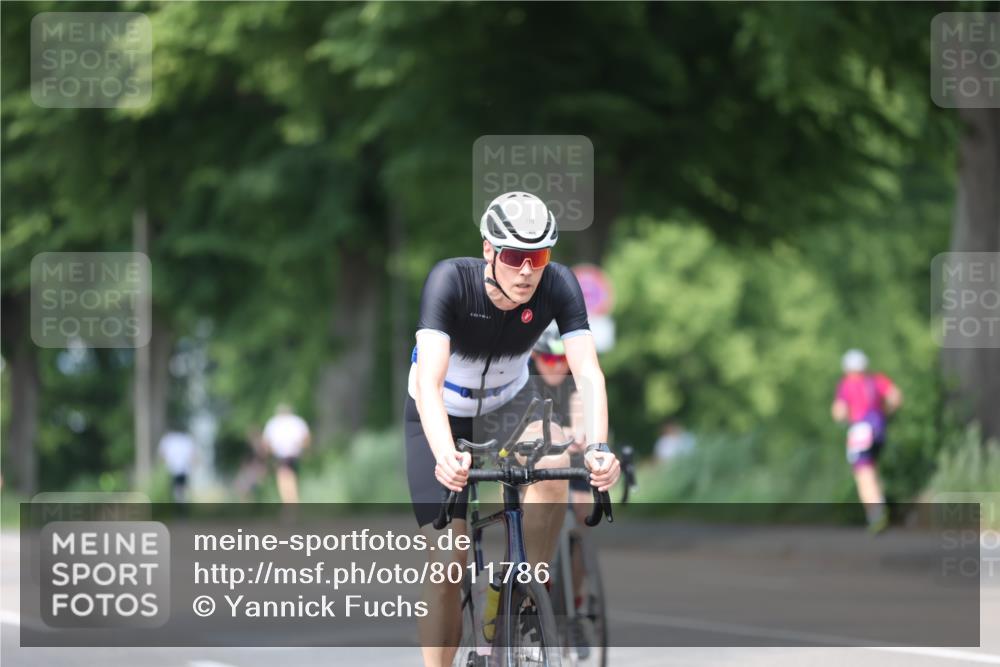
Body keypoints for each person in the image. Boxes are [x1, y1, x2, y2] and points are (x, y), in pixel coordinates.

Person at [405, 191, 620, 667]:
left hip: (511, 406)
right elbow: (428, 379)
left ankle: (523, 594)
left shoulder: (558, 283)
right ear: (489, 249)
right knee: (447, 566)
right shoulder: (450, 281)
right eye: (516, 256)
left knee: (556, 460)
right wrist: (446, 453)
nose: (527, 270)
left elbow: (587, 374)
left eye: (538, 256)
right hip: (440, 412)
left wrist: (600, 448)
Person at [831, 349, 902, 533]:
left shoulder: (847, 385)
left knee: (864, 474)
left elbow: (838, 412)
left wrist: (845, 416)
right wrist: (885, 412)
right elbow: (895, 397)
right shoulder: (877, 380)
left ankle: (876, 514)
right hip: (879, 430)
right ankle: (880, 504)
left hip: (860, 432)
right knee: (873, 469)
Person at [261, 404, 311, 504]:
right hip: (294, 455)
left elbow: (266, 443)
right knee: (290, 479)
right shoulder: (297, 421)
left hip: (282, 456)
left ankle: (291, 505)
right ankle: (292, 504)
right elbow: (306, 439)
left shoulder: (274, 423)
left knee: (285, 480)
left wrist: (269, 454)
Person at [158, 427, 196, 503]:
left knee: (177, 489)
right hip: (178, 469)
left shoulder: (168, 439)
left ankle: (179, 503)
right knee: (179, 489)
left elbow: (162, 453)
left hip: (176, 469)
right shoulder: (185, 439)